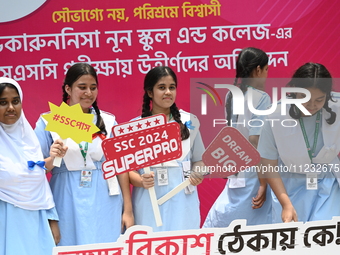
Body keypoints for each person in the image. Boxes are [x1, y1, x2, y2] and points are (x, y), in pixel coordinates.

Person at [34, 63, 134, 246]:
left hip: (105, 199)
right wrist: (53, 157)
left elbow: (121, 167)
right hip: (66, 198)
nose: (88, 92)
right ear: (68, 88)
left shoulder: (109, 121)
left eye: (93, 88)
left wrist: (128, 210)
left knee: (107, 246)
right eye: (82, 87)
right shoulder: (49, 121)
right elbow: (35, 170)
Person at [258, 62, 340, 223]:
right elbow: (268, 163)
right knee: (294, 240)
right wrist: (286, 204)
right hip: (289, 186)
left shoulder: (336, 107)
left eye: (319, 99)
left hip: (327, 183)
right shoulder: (275, 115)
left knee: (327, 234)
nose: (311, 105)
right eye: (304, 98)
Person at [129, 66, 205, 232]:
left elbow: (199, 160)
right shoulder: (134, 127)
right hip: (149, 200)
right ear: (150, 92)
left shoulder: (189, 121)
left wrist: (198, 173)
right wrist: (141, 181)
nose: (168, 92)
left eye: (172, 87)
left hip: (183, 199)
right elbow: (127, 171)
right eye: (162, 88)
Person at [203, 47, 272, 227]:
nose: (266, 75)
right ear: (258, 70)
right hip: (254, 171)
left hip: (236, 165)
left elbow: (230, 135)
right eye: (266, 70)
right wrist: (264, 183)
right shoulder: (262, 98)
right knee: (252, 221)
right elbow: (256, 141)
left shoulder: (231, 95)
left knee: (232, 214)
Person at [0, 77, 64, 255]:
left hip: (36, 222)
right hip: (6, 222)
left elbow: (38, 179)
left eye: (15, 101)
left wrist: (52, 219)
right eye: (3, 102)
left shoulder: (29, 140)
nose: (11, 108)